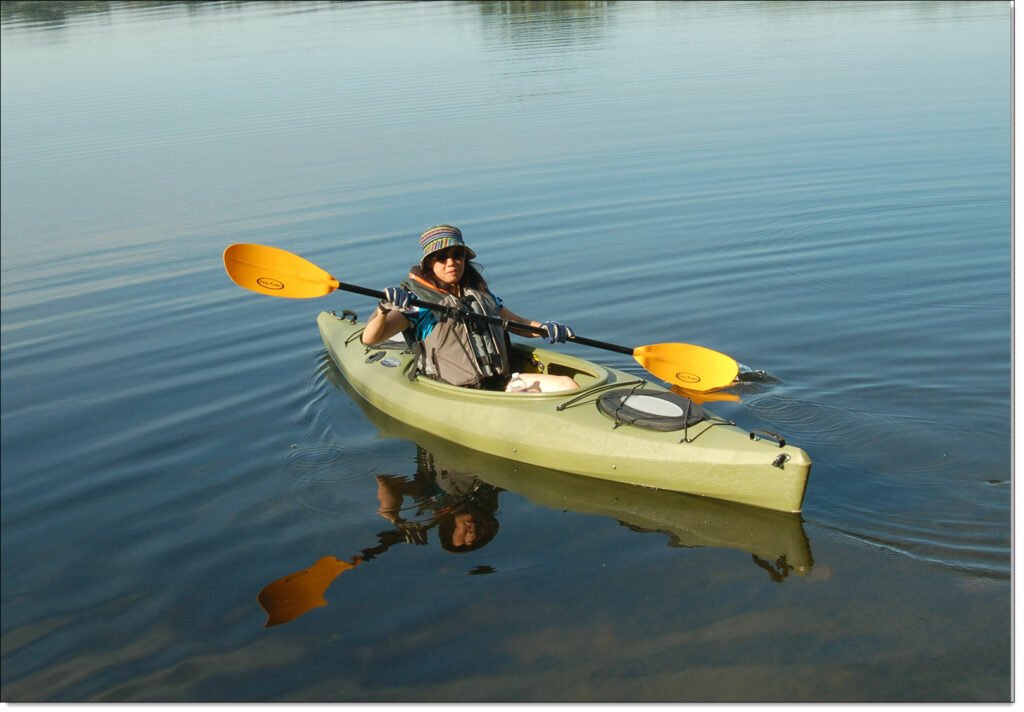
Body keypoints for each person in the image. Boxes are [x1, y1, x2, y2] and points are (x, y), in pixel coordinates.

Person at [361, 225, 579, 392]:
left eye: (458, 255)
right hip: (454, 391)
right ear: (429, 263)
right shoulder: (417, 303)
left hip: (500, 382)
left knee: (566, 384)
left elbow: (517, 324)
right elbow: (370, 338)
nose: (451, 262)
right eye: (442, 257)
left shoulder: (479, 295)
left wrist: (546, 328)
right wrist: (383, 309)